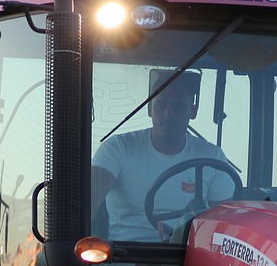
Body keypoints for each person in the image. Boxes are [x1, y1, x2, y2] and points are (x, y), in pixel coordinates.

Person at [91, 70, 236, 242]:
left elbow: (224, 225)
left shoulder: (212, 157)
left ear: (193, 110)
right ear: (150, 108)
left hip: (187, 259)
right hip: (126, 258)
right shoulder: (118, 149)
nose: (168, 114)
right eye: (161, 105)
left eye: (178, 107)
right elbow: (86, 203)